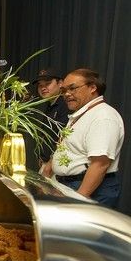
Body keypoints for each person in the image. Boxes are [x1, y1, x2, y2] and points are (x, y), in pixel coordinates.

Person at [43, 68, 124, 208]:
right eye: (64, 90)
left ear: (93, 87)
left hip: (90, 190)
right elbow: (69, 146)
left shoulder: (103, 117)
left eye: (73, 88)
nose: (67, 94)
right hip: (68, 185)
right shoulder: (82, 113)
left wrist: (79, 200)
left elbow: (100, 164)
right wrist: (49, 169)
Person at [33, 68, 69, 167]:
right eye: (40, 85)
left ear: (60, 83)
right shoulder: (50, 104)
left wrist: (49, 165)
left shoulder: (66, 105)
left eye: (48, 83)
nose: (43, 88)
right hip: (47, 163)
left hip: (57, 165)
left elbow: (64, 140)